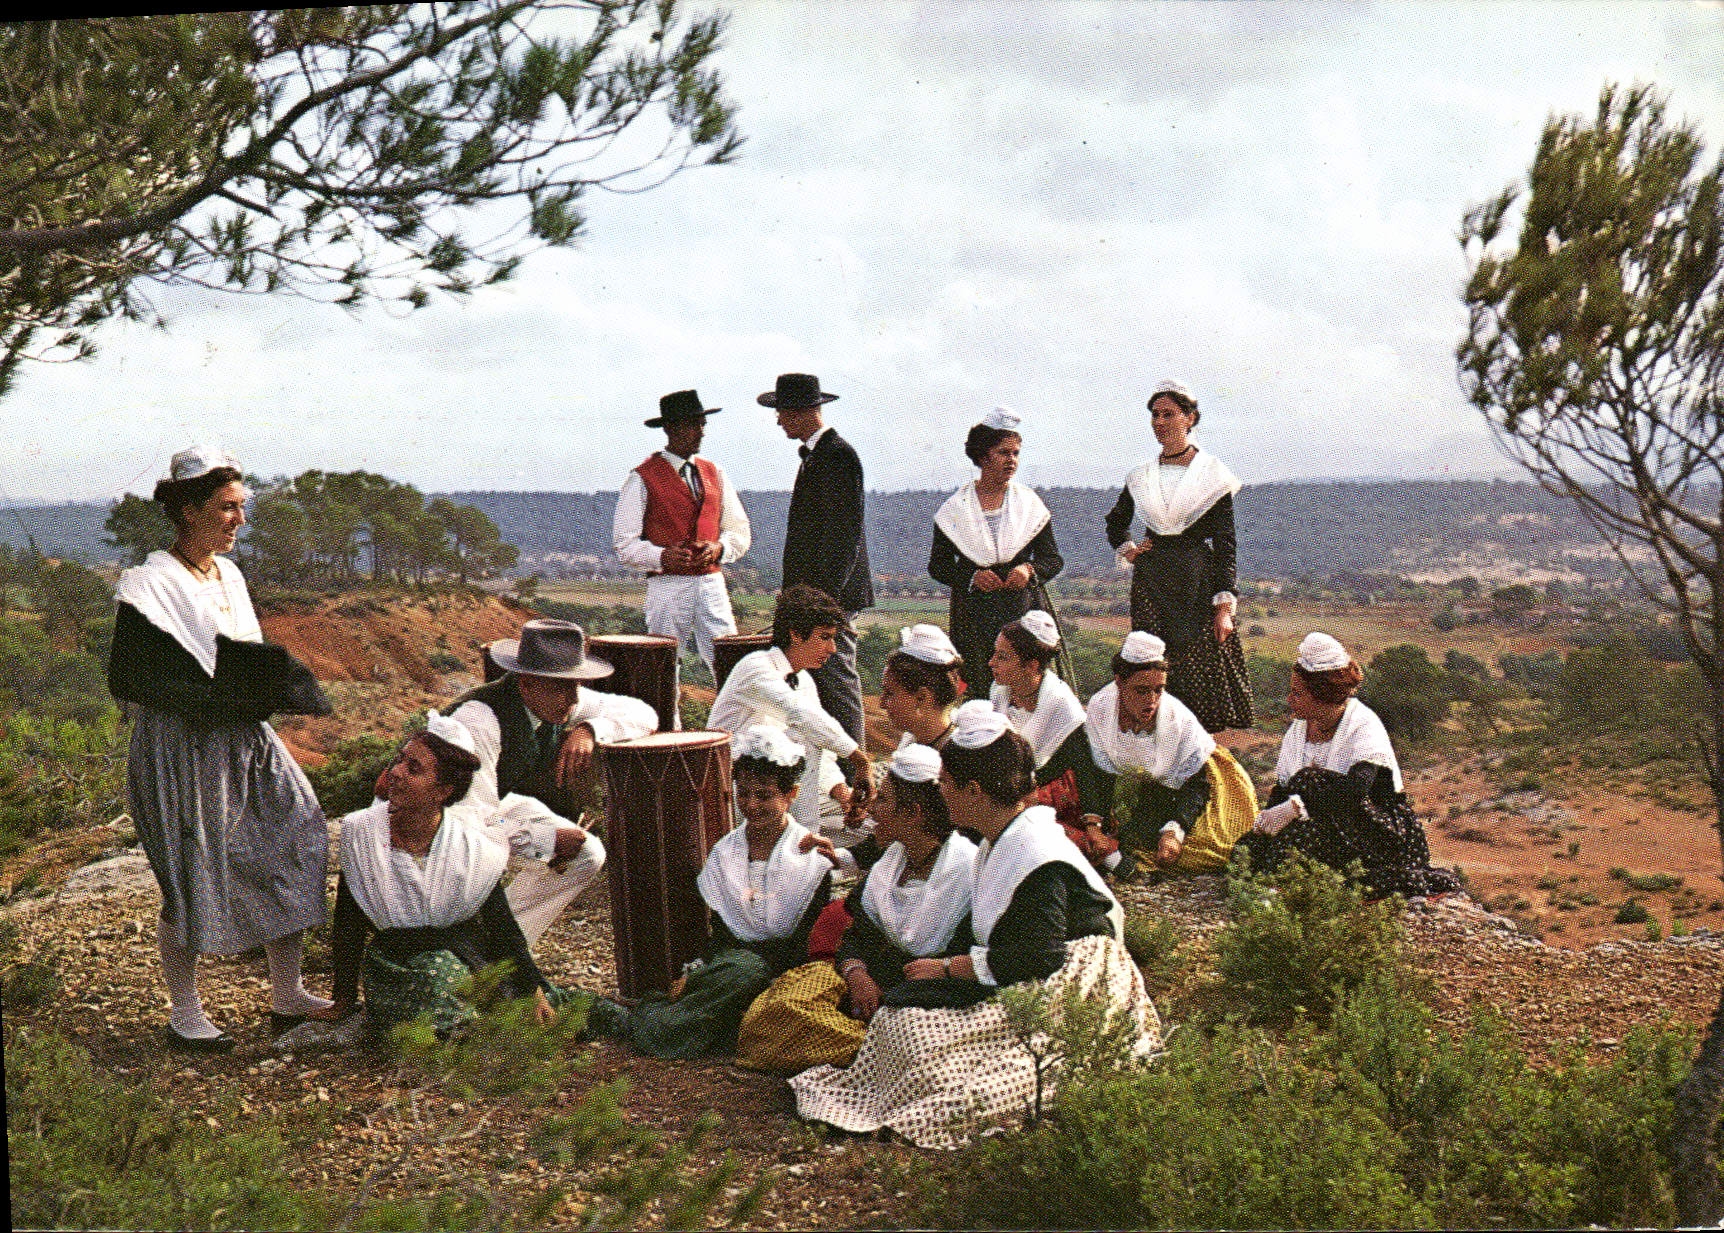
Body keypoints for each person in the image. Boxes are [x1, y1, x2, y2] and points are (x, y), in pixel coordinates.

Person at [790, 704, 1160, 1149]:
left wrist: (948, 970)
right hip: (1022, 970)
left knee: (923, 1039)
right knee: (902, 1019)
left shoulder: (1035, 851)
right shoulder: (998, 840)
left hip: (1073, 981)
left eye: (945, 783)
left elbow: (1038, 957)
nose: (940, 791)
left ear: (973, 791)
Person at [107, 445, 332, 1052]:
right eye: (226, 507)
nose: (238, 519)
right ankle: (185, 1008)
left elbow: (241, 656)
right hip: (182, 743)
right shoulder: (150, 584)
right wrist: (211, 701)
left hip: (243, 735)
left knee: (297, 829)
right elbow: (127, 678)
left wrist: (274, 688)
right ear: (187, 510)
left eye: (242, 508)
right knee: (190, 866)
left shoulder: (229, 575)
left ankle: (287, 989)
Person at [313, 716, 574, 1037]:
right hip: (397, 967)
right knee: (441, 987)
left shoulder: (468, 846)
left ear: (442, 791)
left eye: (414, 768)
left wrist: (531, 988)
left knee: (553, 1009)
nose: (395, 772)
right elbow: (349, 921)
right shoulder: (362, 833)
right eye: (400, 760)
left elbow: (501, 925)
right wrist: (343, 999)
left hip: (465, 957)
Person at [586, 726, 834, 1058]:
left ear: (791, 794)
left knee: (750, 980)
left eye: (764, 795)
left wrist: (764, 977)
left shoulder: (810, 857)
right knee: (741, 974)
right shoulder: (726, 852)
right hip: (734, 970)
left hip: (784, 974)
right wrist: (703, 971)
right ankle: (653, 1024)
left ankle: (637, 1021)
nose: (751, 805)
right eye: (743, 793)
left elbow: (807, 939)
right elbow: (721, 934)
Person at [734, 742, 978, 1073]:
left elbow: (959, 976)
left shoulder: (964, 873)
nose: (873, 809)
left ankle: (874, 1050)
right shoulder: (893, 861)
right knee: (772, 1012)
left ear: (913, 813)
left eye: (885, 800)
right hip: (862, 985)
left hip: (915, 1006)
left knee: (895, 1037)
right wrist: (856, 972)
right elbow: (854, 935)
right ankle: (867, 1049)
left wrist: (886, 997)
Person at [443, 618, 656, 947]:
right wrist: (545, 839)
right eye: (561, 686)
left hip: (489, 805)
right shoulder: (478, 719)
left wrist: (591, 730)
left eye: (575, 685)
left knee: (587, 854)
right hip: (439, 823)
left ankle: (498, 951)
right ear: (526, 683)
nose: (573, 699)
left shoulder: (559, 700)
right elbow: (472, 820)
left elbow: (645, 714)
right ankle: (492, 950)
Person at [1234, 633, 1462, 899]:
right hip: (1324, 821)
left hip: (1372, 829)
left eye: (1297, 693)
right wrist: (1269, 817)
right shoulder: (1298, 731)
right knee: (1247, 852)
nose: (1289, 700)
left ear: (1321, 696)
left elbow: (1356, 790)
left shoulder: (1362, 723)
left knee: (1309, 790)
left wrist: (1296, 807)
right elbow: (1282, 789)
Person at [1104, 380, 1253, 732]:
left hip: (1196, 582)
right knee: (1150, 665)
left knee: (1197, 677)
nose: (1160, 422)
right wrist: (1130, 550)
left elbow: (1225, 543)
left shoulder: (1213, 476)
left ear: (1190, 418)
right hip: (1152, 581)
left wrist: (1223, 607)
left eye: (1168, 414)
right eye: (1155, 415)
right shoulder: (1140, 477)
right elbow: (1115, 523)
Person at [1085, 632, 1259, 876]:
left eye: (1159, 690)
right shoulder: (1101, 710)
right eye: (1142, 691)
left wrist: (1174, 831)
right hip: (1152, 786)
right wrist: (1096, 824)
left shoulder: (1177, 721)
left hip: (1205, 785)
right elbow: (1099, 773)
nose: (1152, 701)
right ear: (1119, 683)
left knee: (1203, 852)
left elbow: (1196, 785)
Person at [708, 584, 874, 835]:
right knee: (802, 735)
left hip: (785, 794)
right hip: (743, 795)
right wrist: (859, 759)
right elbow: (800, 716)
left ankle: (812, 847)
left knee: (875, 827)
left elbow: (819, 743)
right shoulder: (755, 667)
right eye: (825, 637)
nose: (832, 649)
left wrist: (843, 795)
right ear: (796, 635)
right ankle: (806, 849)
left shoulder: (804, 680)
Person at [611, 389, 752, 681]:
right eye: (693, 424)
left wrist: (720, 549)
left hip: (712, 584)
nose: (700, 432)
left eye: (702, 424)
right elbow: (625, 545)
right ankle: (664, 725)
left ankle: (735, 725)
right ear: (670, 428)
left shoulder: (716, 473)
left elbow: (739, 531)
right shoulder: (642, 477)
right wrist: (662, 556)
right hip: (667, 586)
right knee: (662, 667)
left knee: (731, 665)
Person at [766, 372, 871, 746]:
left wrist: (821, 604)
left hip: (829, 598)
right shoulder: (819, 456)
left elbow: (844, 537)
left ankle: (853, 762)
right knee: (824, 680)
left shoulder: (837, 455)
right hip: (818, 596)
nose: (778, 421)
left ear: (799, 412)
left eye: (781, 412)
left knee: (837, 678)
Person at [929, 408, 1063, 698]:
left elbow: (1052, 559)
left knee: (1028, 686)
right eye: (1004, 453)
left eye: (1015, 453)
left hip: (1023, 608)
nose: (1012, 461)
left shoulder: (1029, 504)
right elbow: (938, 566)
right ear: (983, 455)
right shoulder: (954, 510)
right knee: (980, 683)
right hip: (975, 613)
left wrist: (1029, 571)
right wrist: (971, 577)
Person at [987, 612, 1117, 870]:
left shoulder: (1061, 706)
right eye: (995, 654)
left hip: (1059, 795)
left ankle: (1104, 854)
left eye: (1002, 657)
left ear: (1032, 666)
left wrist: (1093, 824)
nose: (991, 663)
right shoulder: (998, 693)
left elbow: (1085, 767)